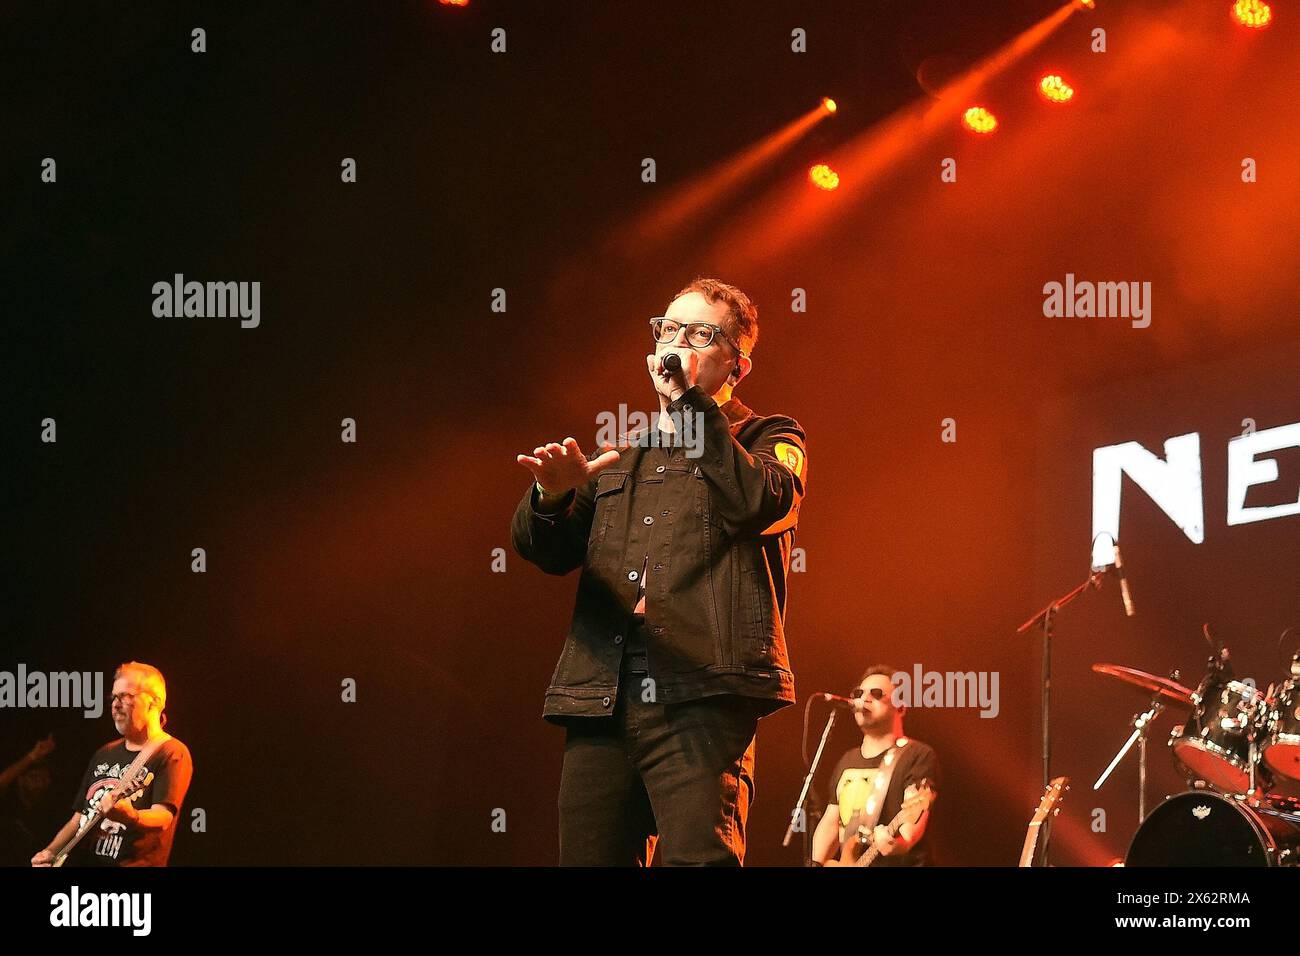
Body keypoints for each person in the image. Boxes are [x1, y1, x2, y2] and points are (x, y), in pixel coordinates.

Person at [512, 277, 808, 865]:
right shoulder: (625, 450)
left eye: (699, 333)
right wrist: (548, 497)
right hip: (602, 693)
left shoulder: (771, 437)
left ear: (737, 365)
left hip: (702, 689)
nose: (677, 343)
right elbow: (545, 552)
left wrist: (689, 405)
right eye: (669, 328)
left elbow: (757, 504)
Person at [32, 662, 193, 867]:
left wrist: (130, 816)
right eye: (114, 697)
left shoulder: (171, 752)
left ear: (154, 702)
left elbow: (163, 817)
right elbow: (79, 818)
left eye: (126, 696)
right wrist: (50, 852)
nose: (116, 705)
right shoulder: (104, 753)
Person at [810, 665, 940, 866]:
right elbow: (831, 822)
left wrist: (898, 843)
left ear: (901, 706)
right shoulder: (847, 760)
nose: (865, 699)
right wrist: (816, 863)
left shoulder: (917, 755)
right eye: (859, 693)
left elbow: (909, 828)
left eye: (877, 694)